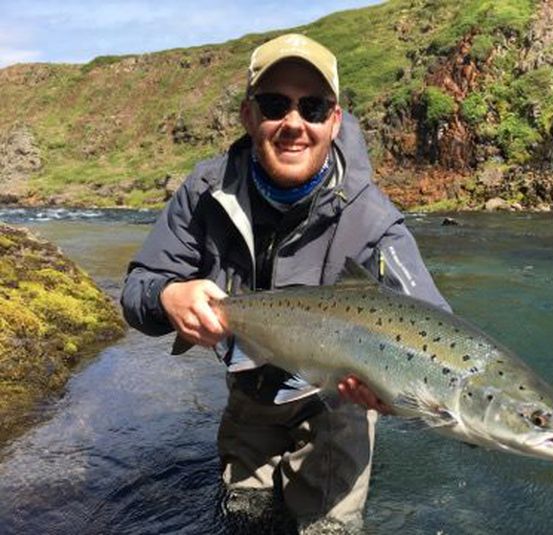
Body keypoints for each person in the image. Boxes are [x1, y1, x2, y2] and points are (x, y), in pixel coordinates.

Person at [121, 33, 449, 533]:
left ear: (334, 121)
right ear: (248, 115)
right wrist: (168, 297)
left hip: (335, 408)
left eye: (313, 107)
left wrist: (399, 395)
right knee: (244, 518)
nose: (294, 123)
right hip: (248, 392)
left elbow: (435, 332)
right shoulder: (204, 193)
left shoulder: (375, 220)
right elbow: (138, 290)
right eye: (276, 104)